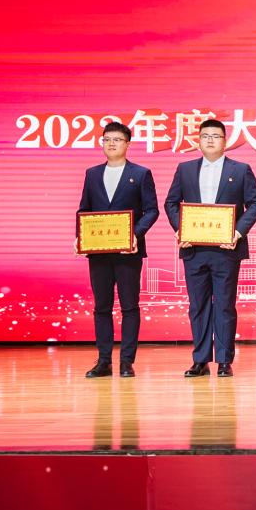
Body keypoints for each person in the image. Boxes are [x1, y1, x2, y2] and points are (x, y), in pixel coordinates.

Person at [164, 119, 256, 378]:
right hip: (194, 249)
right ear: (198, 140)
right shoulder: (185, 169)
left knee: (225, 305)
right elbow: (171, 203)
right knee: (197, 306)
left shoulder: (240, 170)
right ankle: (200, 360)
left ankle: (224, 360)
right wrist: (180, 230)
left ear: (225, 141)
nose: (210, 140)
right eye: (205, 135)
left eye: (215, 136)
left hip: (226, 249)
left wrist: (237, 233)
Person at [76, 122, 159, 378]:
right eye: (107, 139)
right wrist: (80, 237)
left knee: (129, 306)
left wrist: (135, 235)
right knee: (101, 307)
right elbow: (84, 210)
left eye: (117, 140)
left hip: (128, 252)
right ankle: (104, 361)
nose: (111, 144)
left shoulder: (141, 174)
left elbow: (151, 211)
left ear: (127, 144)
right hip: (99, 251)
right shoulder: (92, 174)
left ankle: (126, 361)